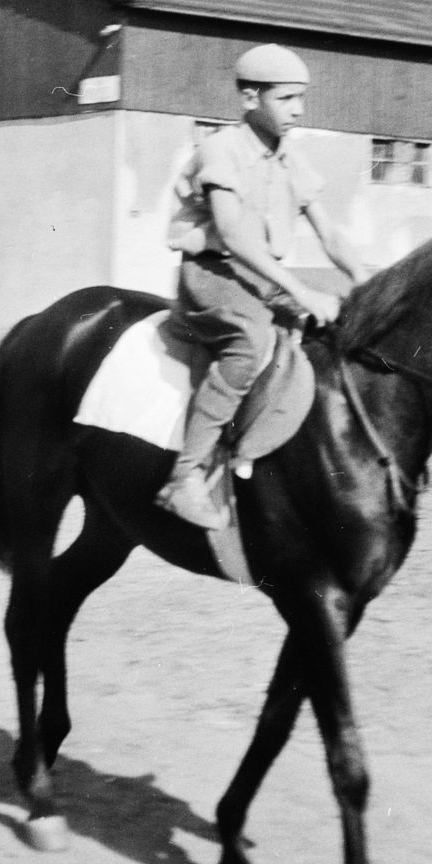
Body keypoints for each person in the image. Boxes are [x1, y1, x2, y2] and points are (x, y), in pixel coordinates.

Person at [159, 44, 370, 530]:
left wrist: (365, 280)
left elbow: (330, 233)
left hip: (260, 277)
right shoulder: (221, 149)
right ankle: (185, 476)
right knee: (250, 345)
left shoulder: (291, 157)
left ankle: (274, 453)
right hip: (213, 274)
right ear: (251, 98)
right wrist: (300, 290)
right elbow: (232, 235)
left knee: (328, 337)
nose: (298, 110)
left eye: (301, 99)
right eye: (287, 99)